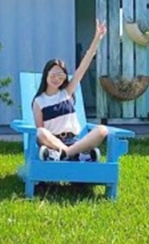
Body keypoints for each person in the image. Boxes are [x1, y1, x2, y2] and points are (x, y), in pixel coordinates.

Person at [33, 20, 109, 162]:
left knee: (102, 130)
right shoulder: (39, 101)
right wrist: (50, 143)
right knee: (41, 132)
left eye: (61, 76)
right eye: (53, 75)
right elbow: (40, 132)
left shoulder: (66, 92)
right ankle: (74, 154)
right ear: (46, 75)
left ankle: (67, 153)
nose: (57, 79)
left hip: (75, 141)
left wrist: (97, 38)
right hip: (54, 143)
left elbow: (83, 66)